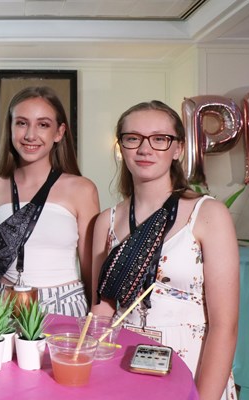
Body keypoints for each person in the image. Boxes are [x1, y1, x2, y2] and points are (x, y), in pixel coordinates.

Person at [91, 100, 238, 400]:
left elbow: (225, 325)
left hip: (192, 363)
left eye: (160, 139)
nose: (145, 149)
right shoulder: (105, 221)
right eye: (133, 138)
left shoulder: (208, 214)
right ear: (121, 147)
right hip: (124, 364)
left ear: (178, 149)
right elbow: (103, 310)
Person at [0, 86, 99, 317]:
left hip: (64, 303)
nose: (30, 135)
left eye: (43, 124)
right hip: (4, 301)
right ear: (10, 128)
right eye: (22, 123)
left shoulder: (81, 189)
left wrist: (96, 317)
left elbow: (90, 267)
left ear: (59, 132)